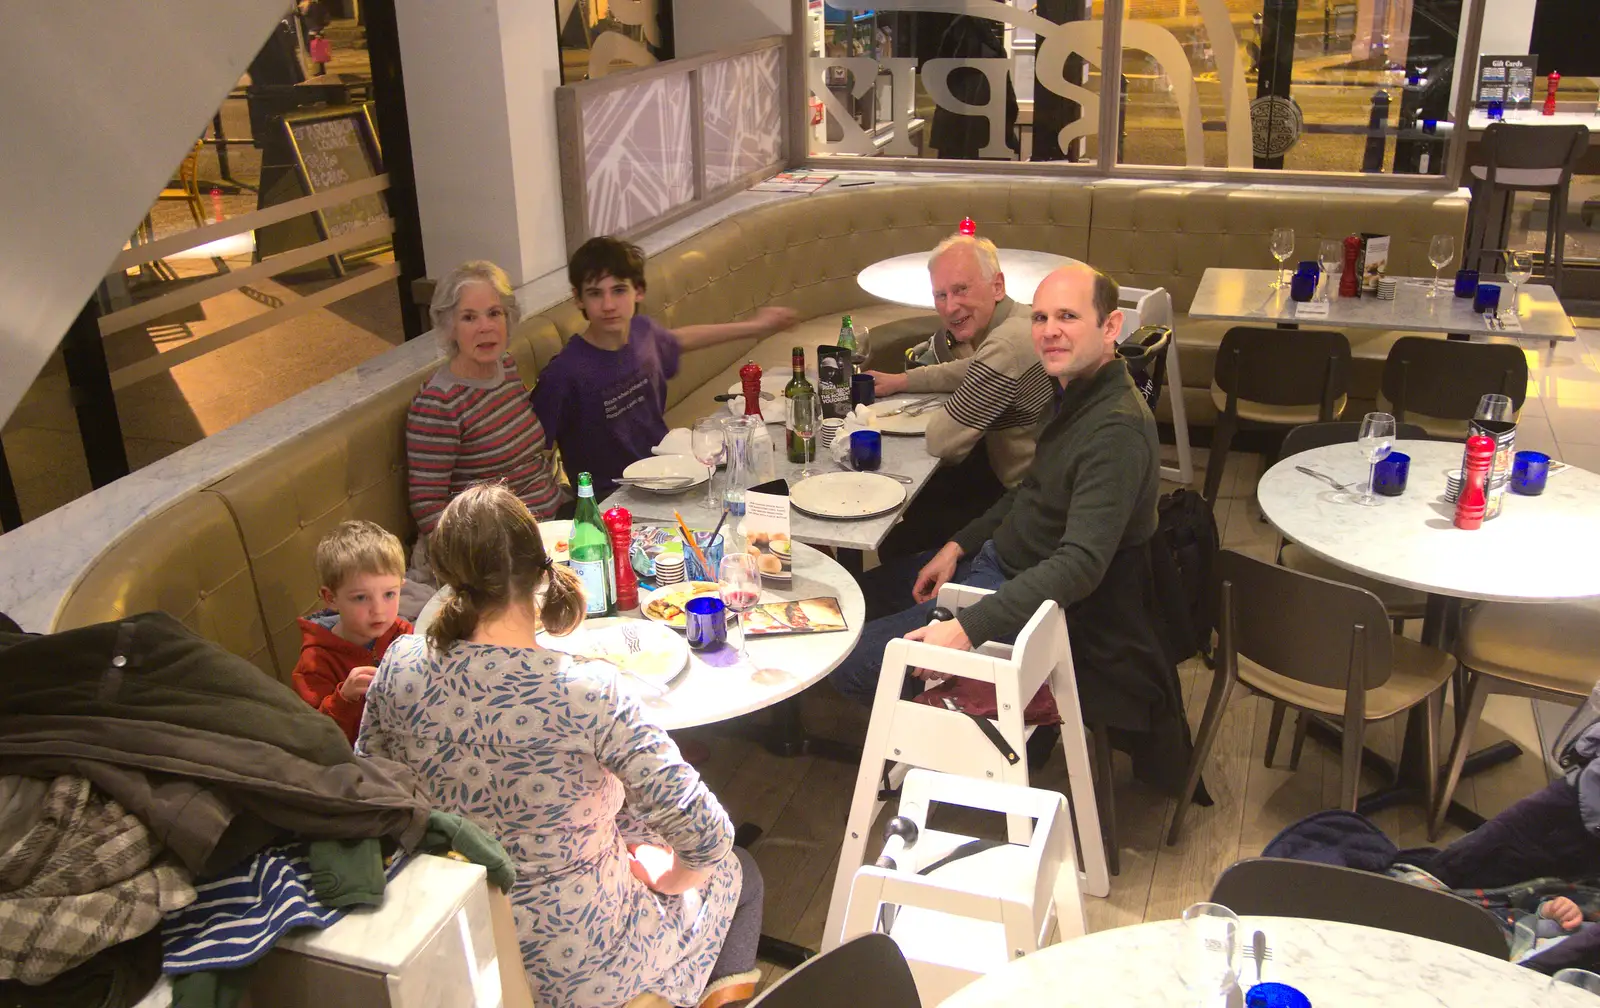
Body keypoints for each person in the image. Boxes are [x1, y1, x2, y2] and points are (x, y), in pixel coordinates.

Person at [356, 484, 763, 1008]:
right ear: (539, 569)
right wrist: (671, 879)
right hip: (582, 964)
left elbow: (370, 795)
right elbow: (707, 838)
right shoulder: (588, 691)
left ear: (444, 578)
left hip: (456, 942)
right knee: (740, 873)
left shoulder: (400, 664)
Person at [831, 262, 1192, 790]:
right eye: (1041, 316)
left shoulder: (1115, 428)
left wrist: (966, 628)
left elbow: (1080, 566)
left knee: (850, 663)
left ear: (1110, 326)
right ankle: (934, 715)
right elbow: (1031, 491)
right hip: (997, 561)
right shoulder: (1073, 392)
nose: (1049, 330)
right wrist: (958, 544)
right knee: (848, 600)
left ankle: (946, 739)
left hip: (1031, 593)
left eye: (1068, 316)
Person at [531, 236, 797, 498]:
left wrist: (756, 326)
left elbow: (679, 339)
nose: (608, 305)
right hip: (613, 500)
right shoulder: (564, 373)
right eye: (595, 294)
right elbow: (529, 450)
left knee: (769, 480)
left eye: (619, 290)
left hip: (672, 476)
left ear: (639, 291)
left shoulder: (643, 333)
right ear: (578, 299)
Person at [867, 234, 1054, 556]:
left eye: (961, 290)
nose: (950, 307)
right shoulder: (1021, 320)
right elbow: (973, 367)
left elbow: (943, 442)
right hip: (1041, 480)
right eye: (941, 295)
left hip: (1030, 503)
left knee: (901, 540)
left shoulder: (1006, 346)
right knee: (928, 501)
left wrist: (962, 405)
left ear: (997, 286)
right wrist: (903, 380)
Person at [406, 260, 564, 537]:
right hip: (496, 542)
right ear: (449, 327)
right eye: (469, 317)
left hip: (551, 519)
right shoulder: (440, 402)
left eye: (494, 313)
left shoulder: (506, 367)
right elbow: (428, 509)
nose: (485, 327)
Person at [292, 520, 413, 744]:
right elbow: (316, 739)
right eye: (360, 597)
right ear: (331, 598)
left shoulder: (403, 632)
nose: (379, 611)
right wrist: (344, 698)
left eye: (389, 594)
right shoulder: (314, 663)